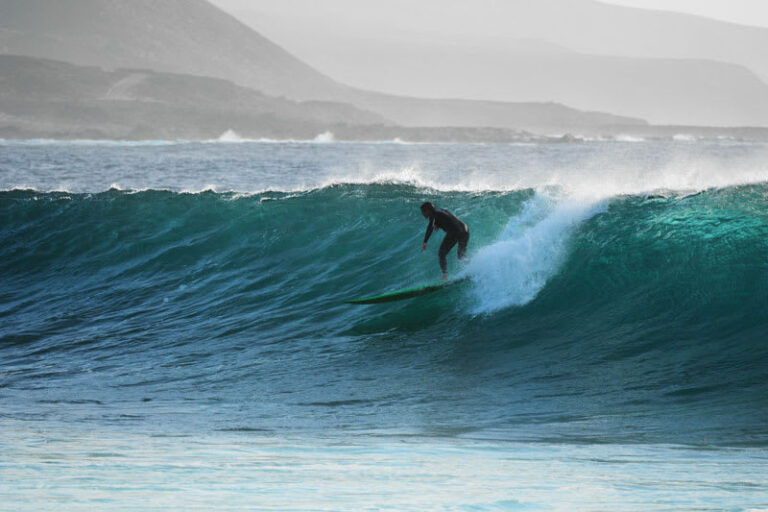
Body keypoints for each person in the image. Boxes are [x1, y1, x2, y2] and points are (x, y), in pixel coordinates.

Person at [420, 201, 470, 280]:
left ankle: (444, 275)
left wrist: (425, 242)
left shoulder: (432, 215)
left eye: (423, 212)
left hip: (454, 232)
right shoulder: (441, 211)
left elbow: (430, 227)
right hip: (465, 229)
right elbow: (449, 219)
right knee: (461, 255)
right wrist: (438, 224)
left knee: (441, 254)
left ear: (428, 210)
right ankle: (471, 267)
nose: (423, 214)